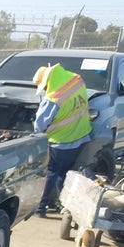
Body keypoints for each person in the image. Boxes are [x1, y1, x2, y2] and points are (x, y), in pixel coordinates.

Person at [32, 63, 92, 217]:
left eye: (44, 87)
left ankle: (40, 207)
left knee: (51, 173)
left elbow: (40, 125)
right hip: (80, 136)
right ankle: (64, 204)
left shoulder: (53, 98)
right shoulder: (76, 80)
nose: (45, 90)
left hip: (61, 142)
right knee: (64, 173)